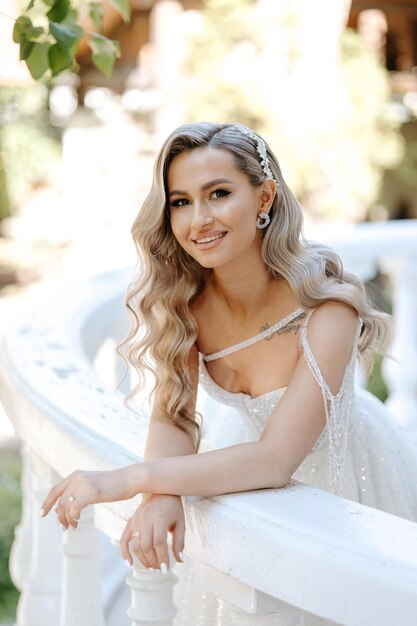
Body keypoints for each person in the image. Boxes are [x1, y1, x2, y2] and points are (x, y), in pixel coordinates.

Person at [40, 122, 417, 625]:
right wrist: (160, 494)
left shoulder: (327, 307)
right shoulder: (186, 304)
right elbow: (173, 419)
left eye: (218, 194)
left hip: (341, 477)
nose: (199, 219)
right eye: (180, 201)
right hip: (241, 459)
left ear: (264, 197)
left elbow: (276, 460)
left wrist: (128, 480)